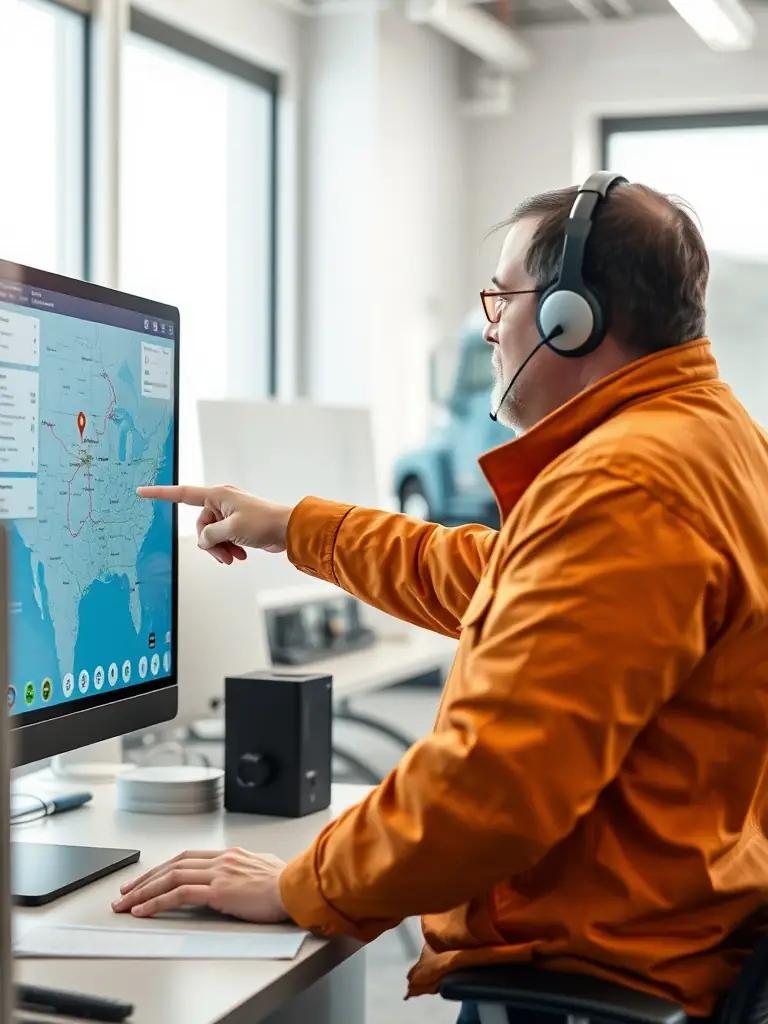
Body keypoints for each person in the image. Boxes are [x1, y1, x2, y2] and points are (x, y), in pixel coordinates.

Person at [113, 177, 768, 1023]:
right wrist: (297, 527)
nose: (493, 329)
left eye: (503, 300)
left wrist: (299, 883)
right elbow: (499, 575)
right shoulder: (708, 441)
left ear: (573, 318)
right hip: (669, 923)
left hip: (593, 973)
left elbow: (489, 788)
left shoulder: (625, 485)